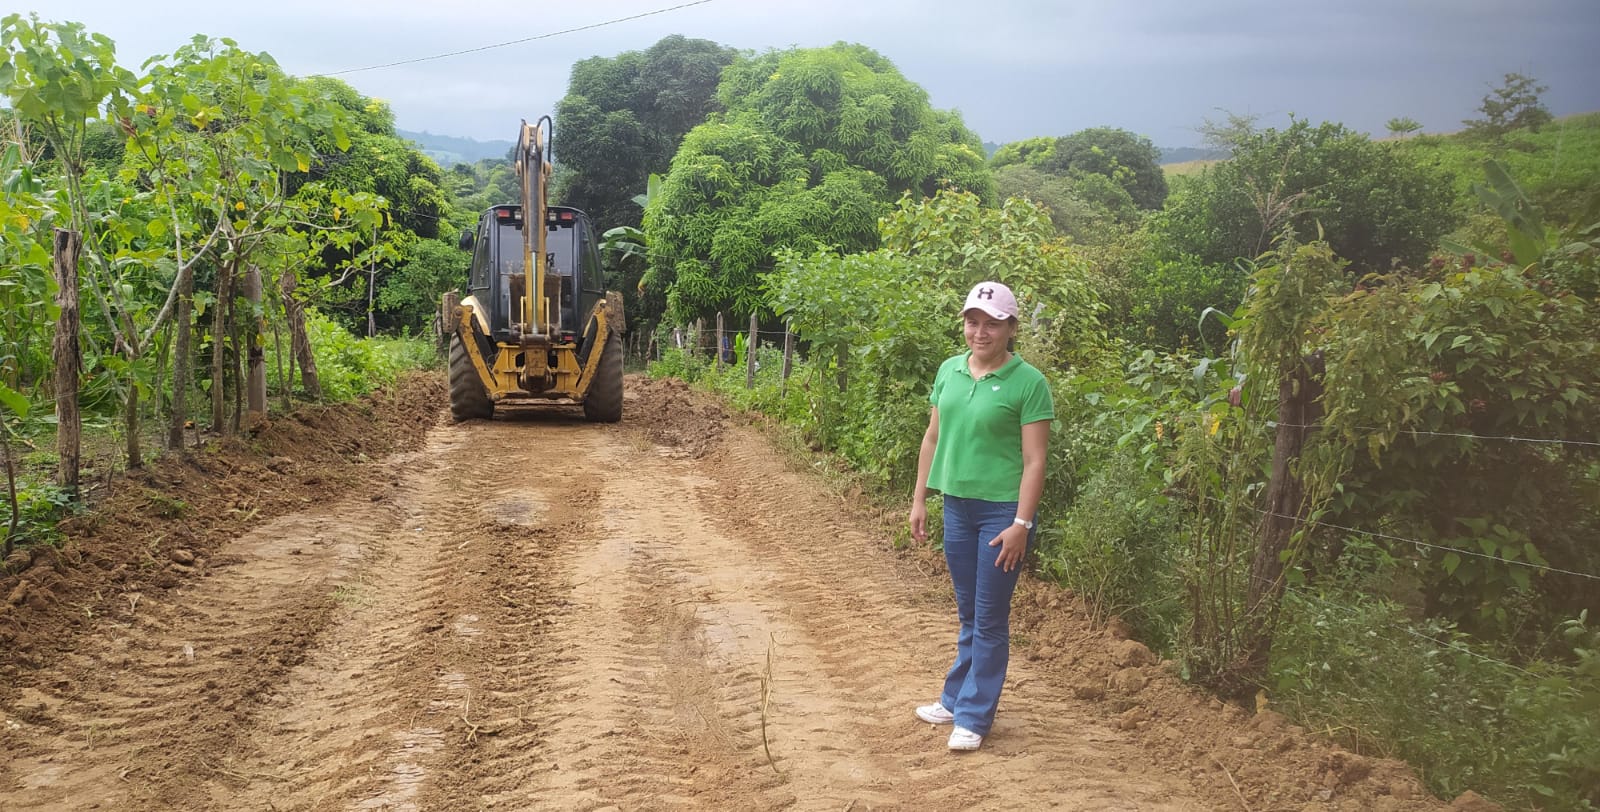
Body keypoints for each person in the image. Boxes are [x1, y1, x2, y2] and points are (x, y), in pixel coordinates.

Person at [909, 280, 1054, 751]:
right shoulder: (949, 370)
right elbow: (932, 438)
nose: (980, 332)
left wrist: (1021, 524)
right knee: (969, 612)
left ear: (1011, 328)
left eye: (992, 324)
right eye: (973, 322)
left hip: (1002, 515)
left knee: (990, 618)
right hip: (957, 506)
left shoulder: (1029, 383)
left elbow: (1035, 461)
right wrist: (919, 499)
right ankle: (955, 700)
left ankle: (973, 716)